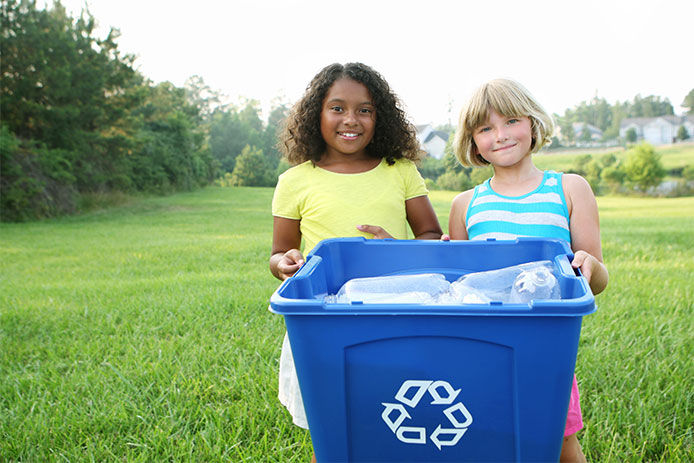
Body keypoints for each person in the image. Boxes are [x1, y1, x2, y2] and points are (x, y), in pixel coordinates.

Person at [269, 62, 443, 459]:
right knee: (334, 430)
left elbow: (430, 236)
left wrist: (393, 249)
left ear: (379, 117)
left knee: (396, 417)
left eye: (364, 109)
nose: (351, 119)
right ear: (316, 115)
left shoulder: (400, 171)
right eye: (337, 108)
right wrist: (285, 263)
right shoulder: (295, 181)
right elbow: (279, 253)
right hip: (326, 321)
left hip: (396, 313)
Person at [447, 78, 608, 463]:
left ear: (533, 124)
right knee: (483, 435)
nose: (500, 136)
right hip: (480, 347)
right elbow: (459, 289)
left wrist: (590, 266)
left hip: (545, 348)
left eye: (511, 121)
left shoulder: (568, 189)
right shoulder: (465, 204)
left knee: (558, 441)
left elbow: (597, 282)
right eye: (485, 128)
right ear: (473, 142)